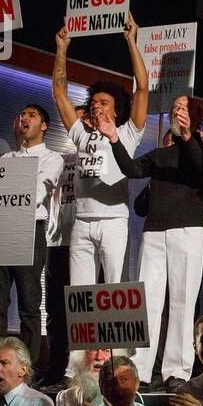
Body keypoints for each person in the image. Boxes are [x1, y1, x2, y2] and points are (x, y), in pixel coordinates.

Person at [108, 94, 203, 384]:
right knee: (148, 302)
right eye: (174, 109)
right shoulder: (160, 154)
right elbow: (131, 170)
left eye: (183, 108)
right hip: (155, 231)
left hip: (188, 230)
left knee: (183, 302)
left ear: (195, 116)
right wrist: (113, 140)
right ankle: (141, 369)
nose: (177, 111)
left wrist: (187, 136)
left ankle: (176, 371)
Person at [51, 15, 149, 285]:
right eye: (93, 102)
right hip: (81, 221)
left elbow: (142, 88)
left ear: (116, 109)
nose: (96, 106)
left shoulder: (128, 132)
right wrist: (61, 49)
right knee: (81, 295)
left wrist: (131, 40)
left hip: (114, 219)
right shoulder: (82, 133)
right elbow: (59, 94)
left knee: (116, 288)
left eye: (104, 102)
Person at [0, 103, 64, 364]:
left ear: (44, 125)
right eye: (22, 115)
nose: (24, 118)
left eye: (31, 115)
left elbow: (38, 193)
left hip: (29, 229)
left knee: (29, 306)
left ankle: (26, 369)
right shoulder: (6, 160)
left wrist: (10, 190)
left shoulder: (52, 159)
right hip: (2, 229)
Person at [42, 105, 84, 387]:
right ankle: (55, 369)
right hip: (56, 241)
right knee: (56, 312)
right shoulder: (60, 160)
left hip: (84, 243)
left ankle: (83, 371)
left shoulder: (102, 157)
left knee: (81, 312)